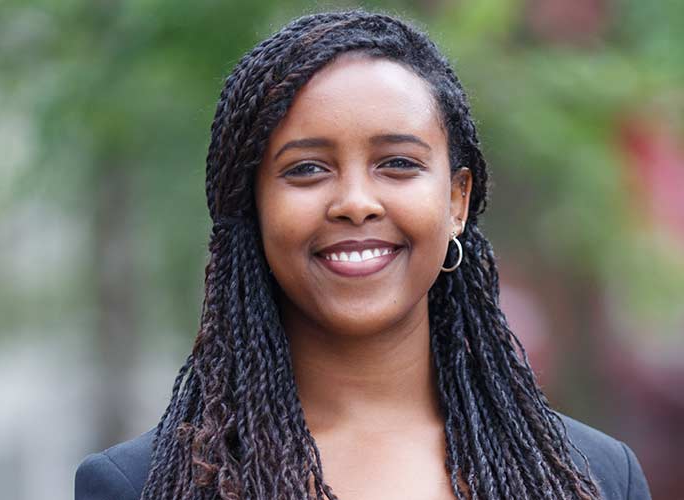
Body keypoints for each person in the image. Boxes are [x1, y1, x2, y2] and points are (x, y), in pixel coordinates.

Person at [75, 9, 651, 500]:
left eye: (397, 163)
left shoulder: (590, 476)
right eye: (307, 169)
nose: (355, 202)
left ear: (457, 200)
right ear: (253, 207)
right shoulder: (144, 484)